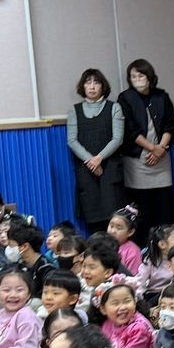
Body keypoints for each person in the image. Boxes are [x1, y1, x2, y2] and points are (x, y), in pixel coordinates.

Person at [118, 58, 174, 232]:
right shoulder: (125, 98)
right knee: (141, 206)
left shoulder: (161, 96)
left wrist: (161, 149)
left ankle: (166, 239)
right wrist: (153, 148)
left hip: (162, 157)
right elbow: (130, 130)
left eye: (141, 75)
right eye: (133, 76)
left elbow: (170, 124)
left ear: (149, 76)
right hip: (137, 158)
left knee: (164, 205)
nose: (137, 79)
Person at [66, 67, 124, 231]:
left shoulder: (114, 107)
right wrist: (91, 162)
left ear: (102, 86)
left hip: (110, 168)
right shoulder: (74, 110)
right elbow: (72, 141)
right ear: (83, 86)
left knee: (114, 217)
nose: (92, 86)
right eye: (88, 82)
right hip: (86, 170)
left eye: (96, 83)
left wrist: (99, 158)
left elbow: (117, 139)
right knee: (92, 217)